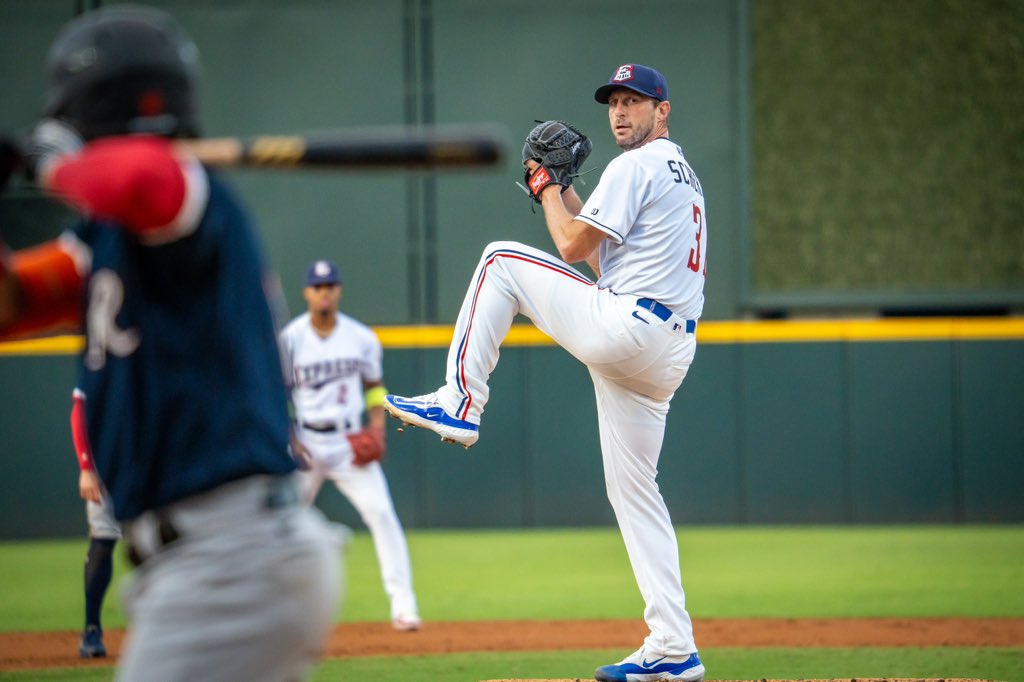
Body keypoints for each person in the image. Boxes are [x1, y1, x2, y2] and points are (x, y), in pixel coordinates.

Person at [0, 6, 340, 680]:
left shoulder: (185, 191)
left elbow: (136, 180)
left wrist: (50, 160)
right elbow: (15, 305)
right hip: (203, 564)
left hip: (229, 560)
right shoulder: (108, 238)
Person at [384, 63, 707, 682]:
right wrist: (559, 188)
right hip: (666, 350)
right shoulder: (681, 175)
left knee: (501, 260)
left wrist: (544, 185)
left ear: (663, 111)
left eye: (635, 101)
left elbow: (568, 247)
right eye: (614, 100)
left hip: (631, 328)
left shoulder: (636, 165)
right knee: (635, 494)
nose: (620, 111)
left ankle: (460, 399)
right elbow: (604, 253)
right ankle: (673, 646)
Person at [279, 259, 422, 632]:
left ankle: (404, 606)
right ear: (307, 292)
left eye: (330, 286)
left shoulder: (360, 337)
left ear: (338, 290)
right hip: (307, 441)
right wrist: (289, 437)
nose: (324, 292)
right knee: (279, 523)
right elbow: (275, 395)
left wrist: (378, 428)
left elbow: (375, 388)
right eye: (317, 286)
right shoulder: (290, 339)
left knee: (382, 514)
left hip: (348, 440)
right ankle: (278, 606)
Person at [70, 387, 120, 659]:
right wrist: (86, 467)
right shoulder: (105, 350)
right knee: (102, 539)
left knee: (167, 543)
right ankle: (92, 629)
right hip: (108, 460)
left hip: (152, 460)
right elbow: (80, 410)